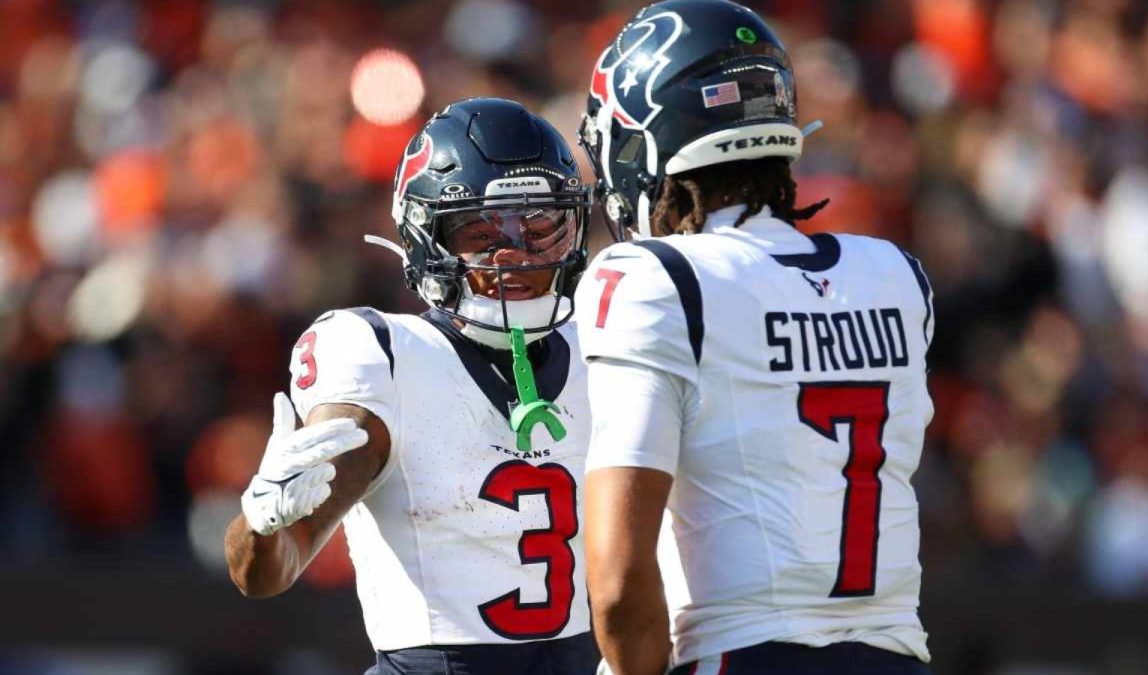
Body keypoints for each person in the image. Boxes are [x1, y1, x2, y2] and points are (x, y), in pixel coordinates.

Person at [573, 1, 934, 674]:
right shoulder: (895, 274)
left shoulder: (657, 278)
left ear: (649, 142)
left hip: (745, 655)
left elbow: (619, 585)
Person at [224, 97, 600, 675]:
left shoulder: (604, 341)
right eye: (480, 230)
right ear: (429, 240)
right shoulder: (383, 357)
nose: (514, 254)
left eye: (539, 224)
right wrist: (260, 521)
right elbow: (268, 572)